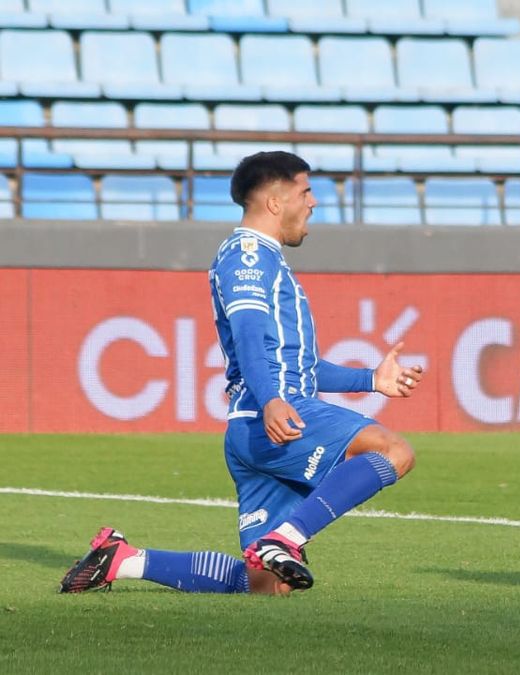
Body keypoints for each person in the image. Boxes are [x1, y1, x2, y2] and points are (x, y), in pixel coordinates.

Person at [60, 151, 424, 595]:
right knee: (393, 451)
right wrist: (272, 398)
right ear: (275, 202)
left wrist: (370, 380)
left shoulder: (263, 260)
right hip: (275, 418)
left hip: (258, 424)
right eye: (305, 192)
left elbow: (300, 368)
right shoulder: (250, 255)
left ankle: (124, 560)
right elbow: (250, 332)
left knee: (266, 586)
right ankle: (284, 539)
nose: (312, 203)